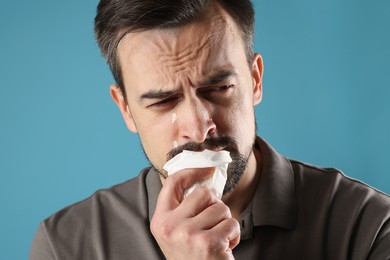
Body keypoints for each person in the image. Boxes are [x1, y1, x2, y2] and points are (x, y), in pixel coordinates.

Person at [30, 0, 390, 259]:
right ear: (126, 109)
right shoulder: (66, 245)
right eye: (162, 101)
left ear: (254, 80)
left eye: (218, 89)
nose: (199, 129)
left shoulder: (369, 227)